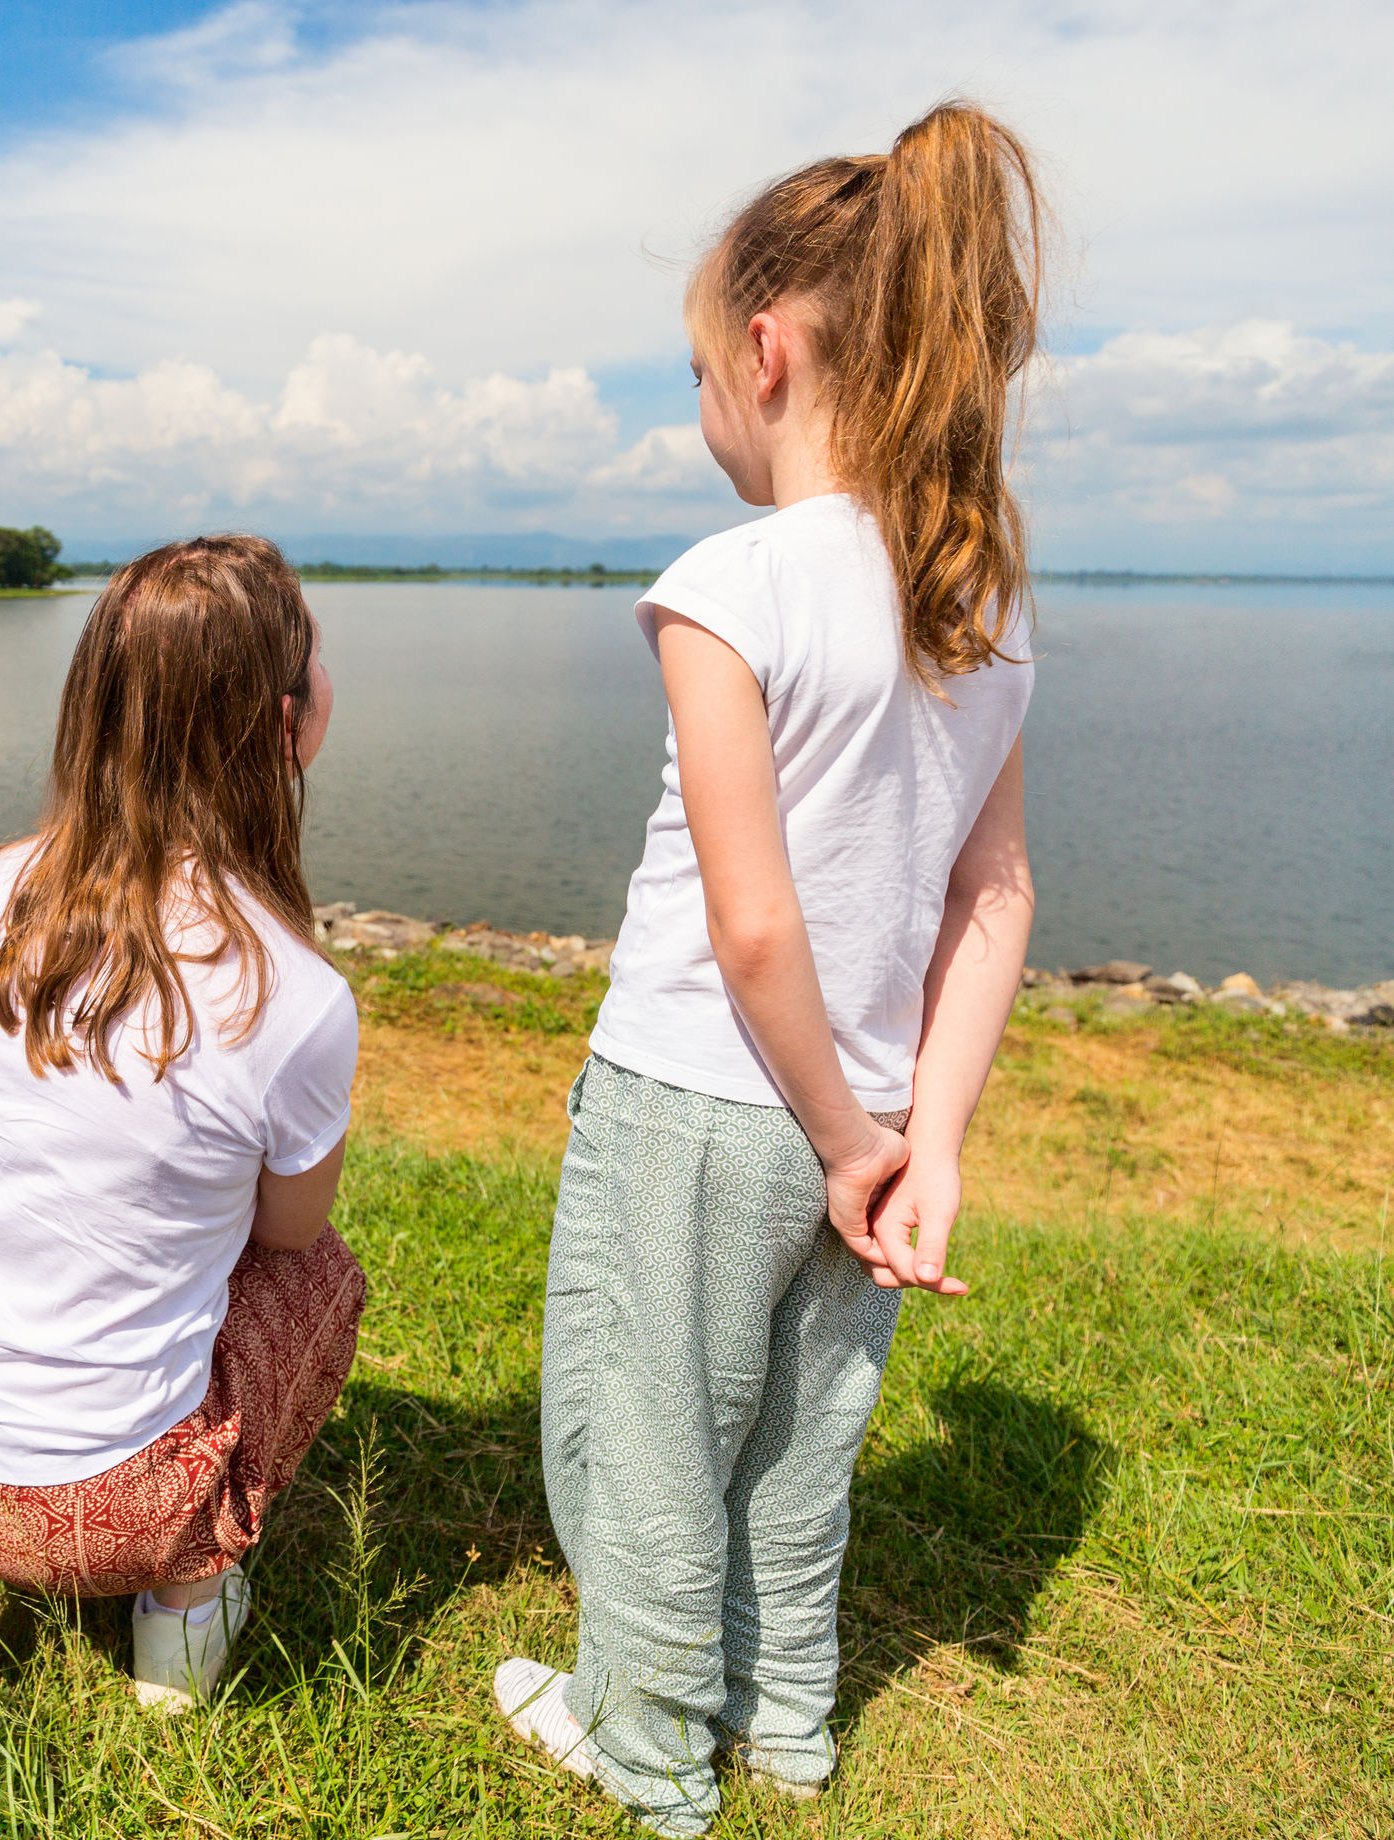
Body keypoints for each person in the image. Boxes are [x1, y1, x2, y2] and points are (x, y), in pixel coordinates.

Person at [494, 101, 1044, 1835]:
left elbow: (747, 927)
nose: (703, 405)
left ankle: (646, 1750)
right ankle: (787, 1724)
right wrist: (913, 1144)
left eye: (693, 372)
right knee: (801, 1450)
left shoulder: (727, 585)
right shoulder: (980, 601)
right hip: (867, 1109)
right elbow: (995, 893)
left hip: (706, 1101)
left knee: (639, 1434)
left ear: (764, 349)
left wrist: (832, 1134)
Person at [0, 534, 364, 1709]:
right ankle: (179, 1612)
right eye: (315, 660)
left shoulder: (6, 883)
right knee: (321, 1274)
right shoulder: (297, 997)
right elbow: (286, 1233)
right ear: (285, 725)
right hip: (101, 1512)